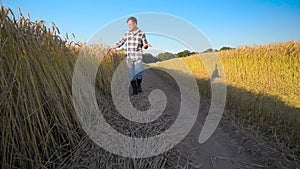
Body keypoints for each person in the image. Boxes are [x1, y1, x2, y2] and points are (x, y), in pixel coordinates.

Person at [109, 16, 150, 95]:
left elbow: (145, 44)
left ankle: (139, 85)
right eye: (128, 25)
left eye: (130, 24)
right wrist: (112, 47)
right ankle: (134, 90)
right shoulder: (126, 34)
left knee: (138, 73)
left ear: (135, 24)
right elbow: (120, 43)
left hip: (138, 56)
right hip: (129, 57)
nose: (129, 26)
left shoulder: (142, 33)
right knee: (131, 74)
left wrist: (146, 46)